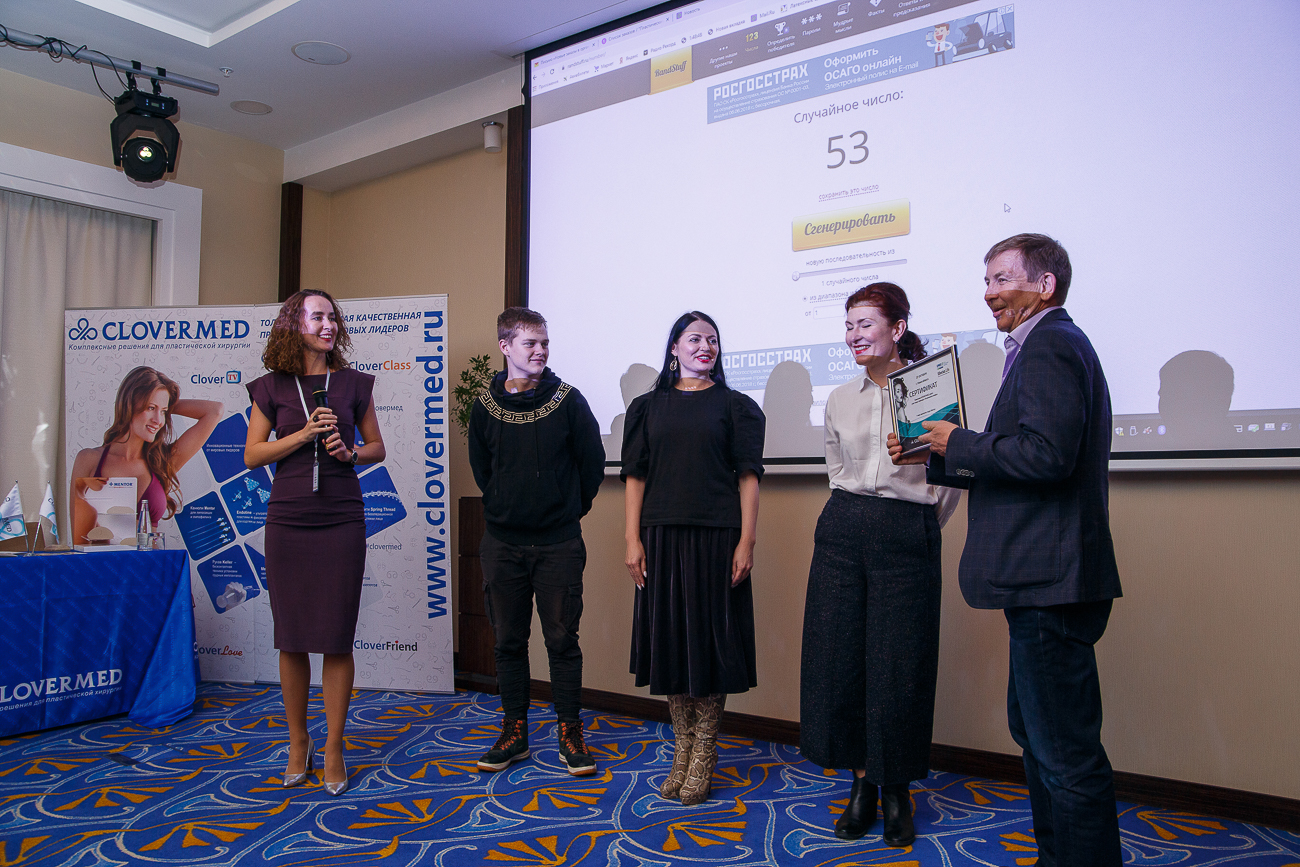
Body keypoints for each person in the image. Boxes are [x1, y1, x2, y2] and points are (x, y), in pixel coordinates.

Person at [890, 234, 1123, 866]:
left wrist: (958, 442)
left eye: (1002, 278)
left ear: (1045, 285)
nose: (989, 292)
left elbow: (1047, 456)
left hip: (1051, 581)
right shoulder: (1043, 345)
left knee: (1063, 753)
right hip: (1045, 579)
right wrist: (936, 452)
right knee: (1041, 739)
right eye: (986, 280)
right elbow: (1024, 456)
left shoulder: (1051, 345)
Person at [800, 284, 959, 846]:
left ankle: (896, 792)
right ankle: (861, 785)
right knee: (841, 660)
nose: (854, 335)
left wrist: (913, 525)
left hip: (904, 531)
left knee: (899, 664)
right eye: (849, 326)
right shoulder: (839, 398)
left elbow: (947, 481)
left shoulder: (929, 391)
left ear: (897, 328)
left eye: (866, 324)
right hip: (842, 527)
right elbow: (835, 467)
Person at [243, 288, 386, 797]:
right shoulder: (270, 387)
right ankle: (298, 741)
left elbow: (377, 447)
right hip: (288, 520)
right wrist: (302, 436)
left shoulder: (354, 384)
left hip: (341, 518)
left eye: (333, 318)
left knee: (336, 636)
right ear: (294, 324)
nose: (328, 325)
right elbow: (252, 455)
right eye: (318, 317)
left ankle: (334, 747)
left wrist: (350, 453)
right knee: (293, 635)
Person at [621, 311, 765, 806]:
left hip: (717, 538)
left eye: (713, 340)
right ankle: (681, 749)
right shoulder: (646, 407)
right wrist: (631, 539)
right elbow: (635, 476)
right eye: (696, 338)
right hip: (660, 536)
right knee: (671, 643)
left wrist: (747, 541)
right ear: (675, 347)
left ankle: (704, 749)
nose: (706, 346)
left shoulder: (737, 406)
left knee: (709, 643)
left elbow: (749, 476)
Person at [468, 307, 605, 777]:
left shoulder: (569, 401)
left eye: (544, 342)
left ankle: (570, 733)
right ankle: (515, 732)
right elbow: (483, 470)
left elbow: (591, 465)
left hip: (558, 544)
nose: (540, 351)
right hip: (502, 543)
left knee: (562, 641)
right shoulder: (484, 405)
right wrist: (508, 505)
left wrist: (565, 510)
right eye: (530, 343)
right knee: (508, 641)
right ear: (505, 346)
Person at [70, 366, 223, 545]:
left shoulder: (163, 462)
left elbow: (215, 411)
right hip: (105, 562)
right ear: (129, 405)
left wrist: (165, 404)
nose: (158, 420)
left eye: (163, 412)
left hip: (152, 562)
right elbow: (79, 541)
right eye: (150, 408)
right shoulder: (89, 459)